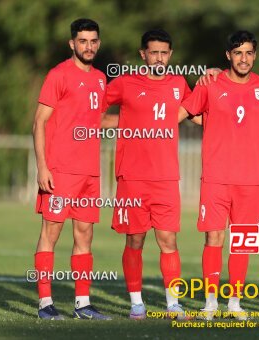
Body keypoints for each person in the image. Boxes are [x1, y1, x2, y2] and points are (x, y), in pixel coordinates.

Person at [179, 30, 259, 320]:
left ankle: (235, 302)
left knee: (242, 240)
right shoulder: (211, 83)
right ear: (228, 56)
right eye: (238, 53)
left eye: (249, 53)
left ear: (255, 55)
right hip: (215, 176)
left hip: (251, 178)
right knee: (214, 237)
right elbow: (182, 112)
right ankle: (211, 302)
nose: (244, 58)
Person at [104, 29, 196, 320]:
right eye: (153, 52)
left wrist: (216, 76)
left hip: (167, 177)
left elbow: (198, 109)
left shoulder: (179, 83)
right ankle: (136, 304)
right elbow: (95, 110)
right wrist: (125, 122)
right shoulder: (125, 82)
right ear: (143, 54)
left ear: (170, 55)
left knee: (168, 240)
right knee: (135, 240)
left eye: (164, 53)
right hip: (132, 177)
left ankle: (173, 305)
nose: (159, 58)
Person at [33, 18, 110, 320]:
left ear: (98, 44)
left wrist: (143, 121)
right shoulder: (58, 75)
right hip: (60, 170)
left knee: (84, 235)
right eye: (82, 41)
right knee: (51, 232)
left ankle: (82, 303)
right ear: (72, 44)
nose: (88, 46)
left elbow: (99, 120)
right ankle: (45, 304)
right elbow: (39, 121)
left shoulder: (101, 79)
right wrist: (42, 167)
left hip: (90, 172)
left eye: (93, 41)